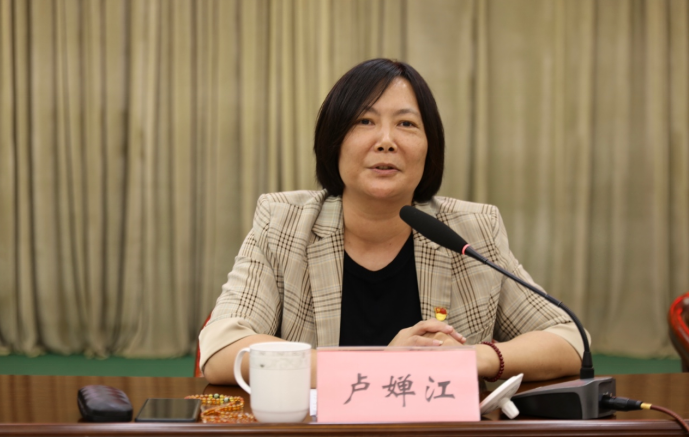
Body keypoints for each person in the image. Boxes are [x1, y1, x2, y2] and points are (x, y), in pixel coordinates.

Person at [200, 58, 585, 386]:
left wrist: (475, 357)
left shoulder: (471, 229)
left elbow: (569, 339)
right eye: (364, 121)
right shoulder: (284, 223)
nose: (386, 141)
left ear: (429, 148)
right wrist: (380, 365)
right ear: (333, 142)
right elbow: (221, 350)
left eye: (406, 124)